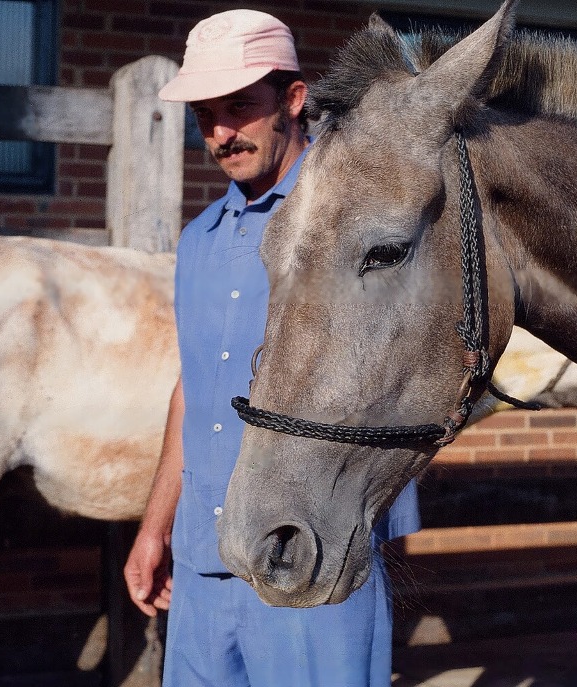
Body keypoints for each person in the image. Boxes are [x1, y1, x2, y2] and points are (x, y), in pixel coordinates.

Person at [122, 10, 421, 686]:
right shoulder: (199, 238)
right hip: (204, 559)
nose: (223, 132)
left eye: (239, 108)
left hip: (309, 551)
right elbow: (193, 387)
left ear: (292, 100)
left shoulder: (356, 223)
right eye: (205, 115)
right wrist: (155, 524)